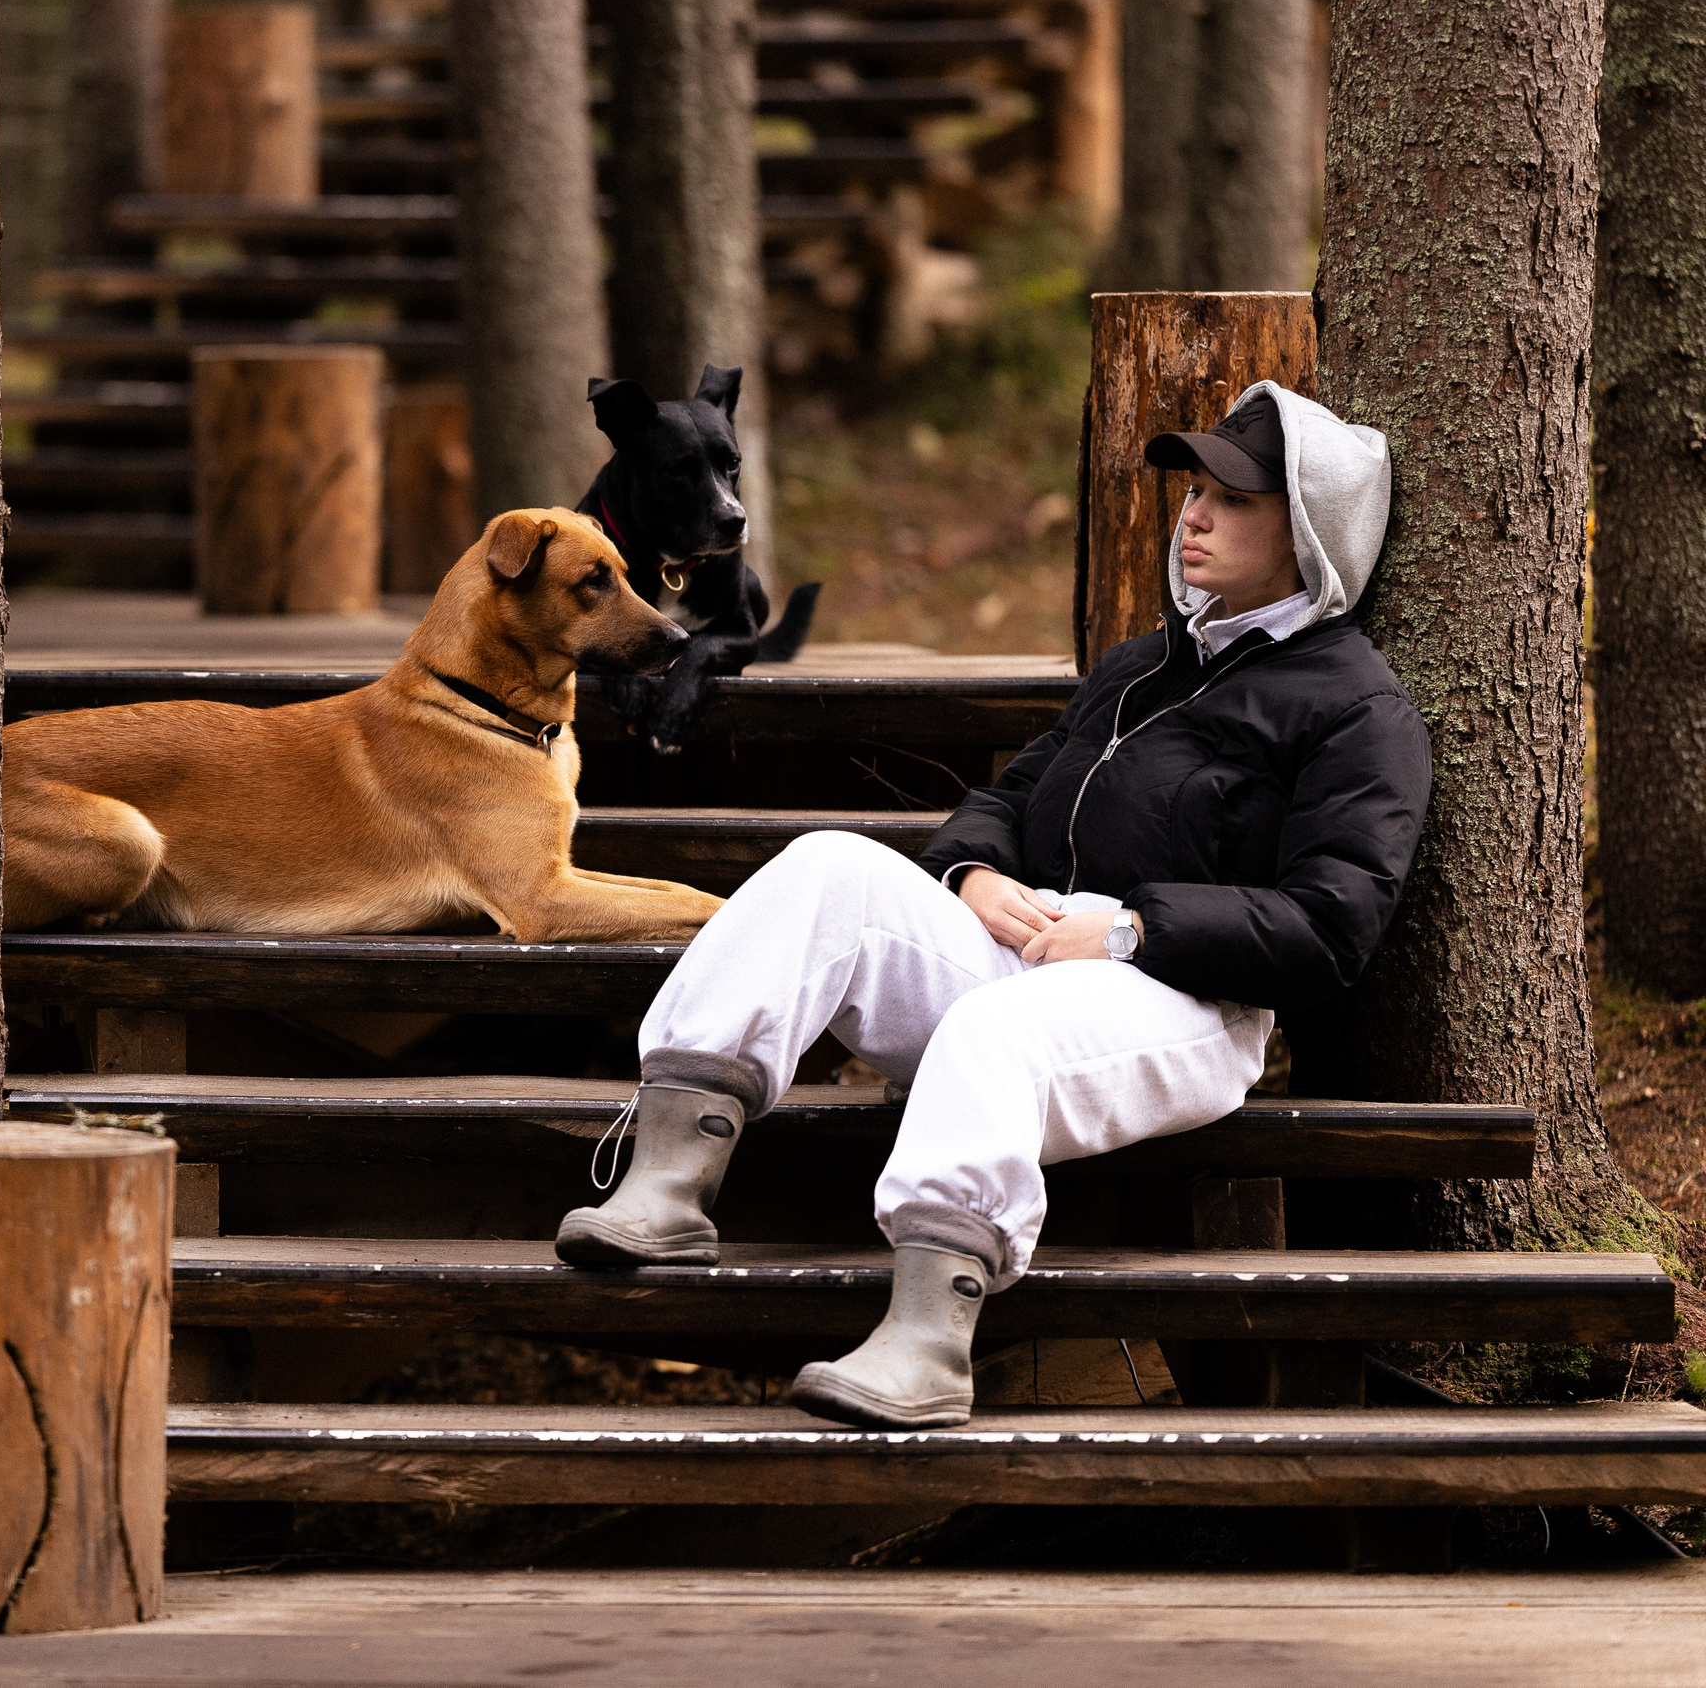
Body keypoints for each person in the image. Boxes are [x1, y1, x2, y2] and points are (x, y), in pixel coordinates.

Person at [552, 382, 1432, 1429]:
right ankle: (667, 1177)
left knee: (990, 1029)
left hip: (1185, 1002)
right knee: (827, 863)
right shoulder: (1141, 668)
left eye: (1230, 501)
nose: (1191, 515)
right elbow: (1011, 795)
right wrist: (971, 874)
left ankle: (925, 1340)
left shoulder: (1357, 709)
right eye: (1191, 492)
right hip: (1025, 947)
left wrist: (1128, 929)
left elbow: (1333, 927)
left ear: (1309, 533)